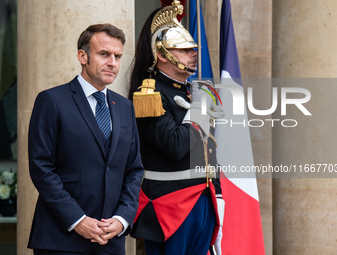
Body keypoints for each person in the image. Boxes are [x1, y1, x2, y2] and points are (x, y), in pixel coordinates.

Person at [27, 23, 144, 255]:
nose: (112, 62)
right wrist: (77, 219)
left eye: (117, 56)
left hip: (110, 240)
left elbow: (133, 169)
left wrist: (122, 218)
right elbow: (41, 168)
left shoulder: (125, 107)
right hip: (61, 238)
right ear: (83, 56)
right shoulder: (51, 100)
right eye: (104, 54)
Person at [129, 1, 225, 255]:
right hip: (169, 205)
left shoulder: (194, 94)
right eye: (184, 50)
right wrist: (199, 112)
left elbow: (208, 152)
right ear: (162, 54)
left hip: (202, 201)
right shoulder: (149, 95)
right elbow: (175, 146)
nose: (194, 54)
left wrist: (217, 197)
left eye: (193, 48)